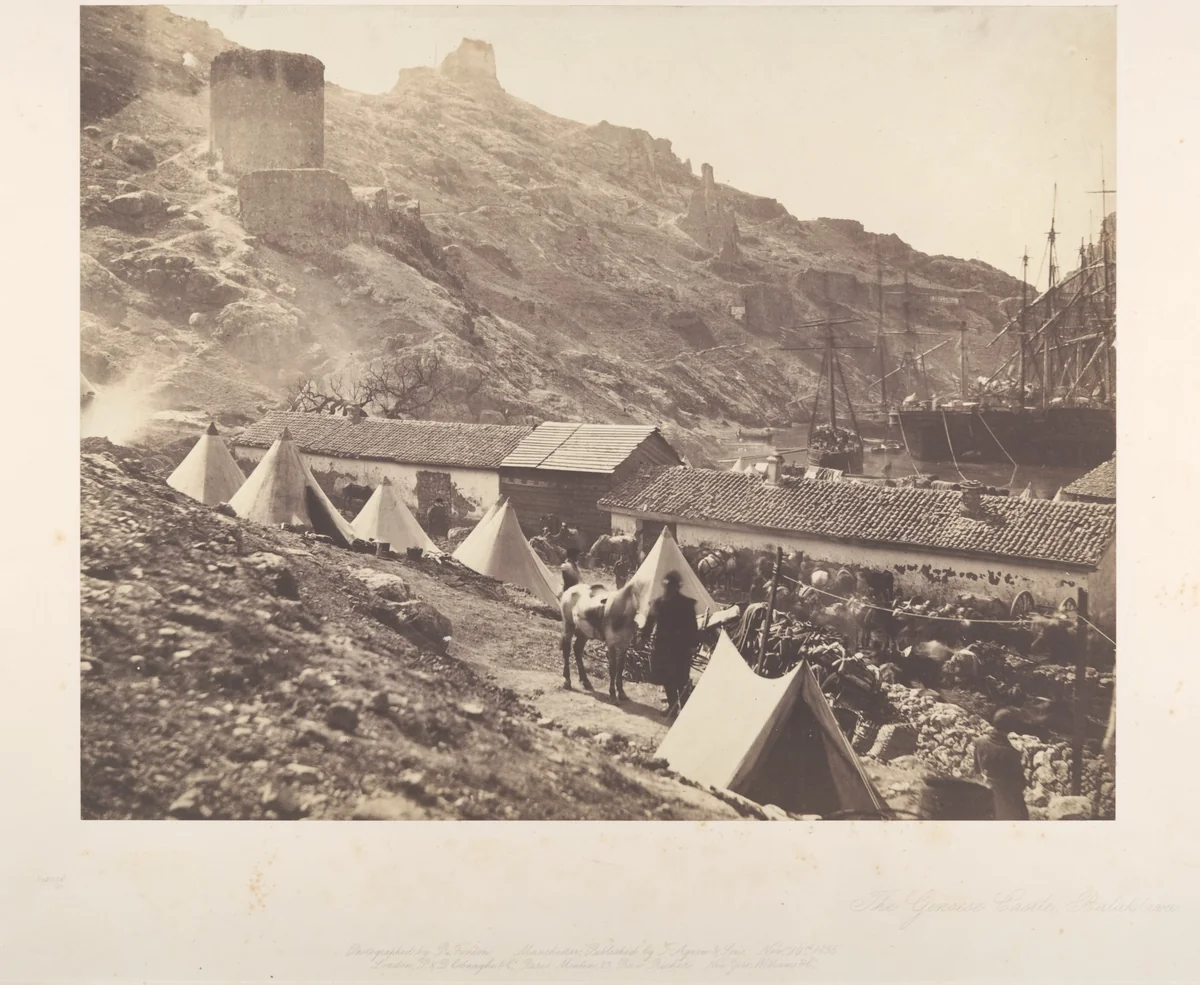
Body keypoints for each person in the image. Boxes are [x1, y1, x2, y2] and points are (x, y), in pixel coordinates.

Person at [642, 571, 698, 719]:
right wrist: (643, 638)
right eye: (667, 586)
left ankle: (686, 710)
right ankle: (673, 708)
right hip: (663, 647)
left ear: (677, 587)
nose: (669, 589)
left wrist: (693, 644)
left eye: (672, 586)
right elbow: (649, 622)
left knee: (682, 679)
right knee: (667, 678)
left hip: (681, 647)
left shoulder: (686, 604)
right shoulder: (658, 603)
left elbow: (692, 626)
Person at [972, 708, 1030, 820]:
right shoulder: (1011, 752)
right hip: (1005, 801)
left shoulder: (980, 742)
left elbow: (976, 770)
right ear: (1010, 728)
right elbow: (1020, 784)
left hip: (986, 794)